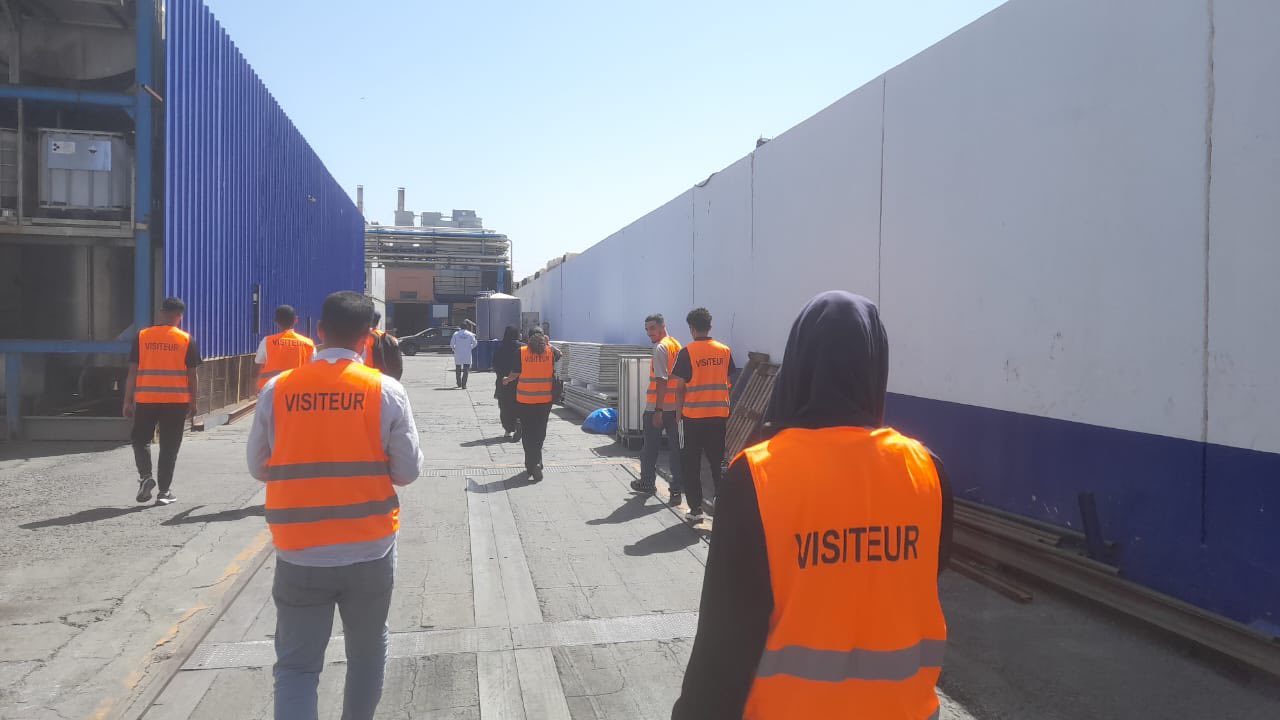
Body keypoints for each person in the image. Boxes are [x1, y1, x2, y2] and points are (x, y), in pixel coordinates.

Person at [671, 291, 954, 720]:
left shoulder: (757, 477)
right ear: (876, 364)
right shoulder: (928, 471)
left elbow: (723, 647)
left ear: (799, 365)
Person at [246, 291, 422, 720]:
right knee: (366, 653)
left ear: (320, 331)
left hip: (299, 550)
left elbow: (258, 466)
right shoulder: (386, 390)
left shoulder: (278, 389)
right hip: (369, 546)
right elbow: (407, 471)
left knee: (297, 666)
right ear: (367, 338)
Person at [122, 296, 201, 506]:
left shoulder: (143, 336)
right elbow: (192, 375)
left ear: (161, 313)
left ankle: (146, 477)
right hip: (176, 401)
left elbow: (132, 371)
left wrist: (127, 400)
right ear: (180, 316)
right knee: (169, 446)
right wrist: (193, 402)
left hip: (146, 399)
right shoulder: (186, 339)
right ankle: (164, 492)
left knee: (140, 440)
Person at [670, 307, 736, 522]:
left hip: (692, 418)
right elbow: (728, 380)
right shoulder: (724, 351)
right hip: (718, 416)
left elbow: (680, 387)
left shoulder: (687, 353)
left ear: (691, 328)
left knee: (690, 464)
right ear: (710, 326)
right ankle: (722, 504)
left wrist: (678, 415)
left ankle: (696, 509)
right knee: (717, 462)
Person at [630, 313, 684, 505]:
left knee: (649, 448)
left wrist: (658, 410)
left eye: (652, 328)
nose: (649, 333)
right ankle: (676, 491)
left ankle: (647, 483)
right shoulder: (676, 345)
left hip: (657, 407)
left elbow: (661, 380)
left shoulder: (661, 348)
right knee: (676, 450)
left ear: (662, 326)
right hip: (675, 408)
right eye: (647, 329)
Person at [502, 326, 561, 481]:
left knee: (528, 433)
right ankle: (535, 462)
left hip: (525, 400)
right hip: (545, 400)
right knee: (540, 431)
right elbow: (560, 354)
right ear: (543, 337)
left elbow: (515, 373)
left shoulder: (521, 352)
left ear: (528, 338)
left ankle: (532, 464)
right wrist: (548, 343)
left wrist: (507, 380)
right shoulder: (550, 351)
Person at [256, 305, 317, 391]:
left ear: (276, 322)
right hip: (298, 390)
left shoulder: (267, 341)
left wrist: (256, 387)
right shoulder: (308, 343)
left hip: (271, 389)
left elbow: (258, 363)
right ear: (296, 320)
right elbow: (313, 367)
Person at [492, 325, 523, 441]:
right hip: (519, 381)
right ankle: (519, 423)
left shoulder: (500, 348)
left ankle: (508, 429)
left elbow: (494, 365)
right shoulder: (523, 347)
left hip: (503, 382)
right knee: (519, 405)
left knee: (505, 406)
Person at [363, 311, 403, 380]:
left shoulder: (364, 338)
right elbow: (398, 366)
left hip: (369, 378)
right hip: (387, 380)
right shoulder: (392, 339)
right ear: (378, 322)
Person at [450, 320, 479, 389]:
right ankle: (464, 384)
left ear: (460, 327)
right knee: (466, 370)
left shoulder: (456, 334)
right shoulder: (470, 334)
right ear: (467, 327)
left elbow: (451, 344)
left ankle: (459, 383)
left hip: (458, 354)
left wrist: (454, 349)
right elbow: (475, 343)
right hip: (467, 354)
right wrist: (470, 347)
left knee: (458, 369)